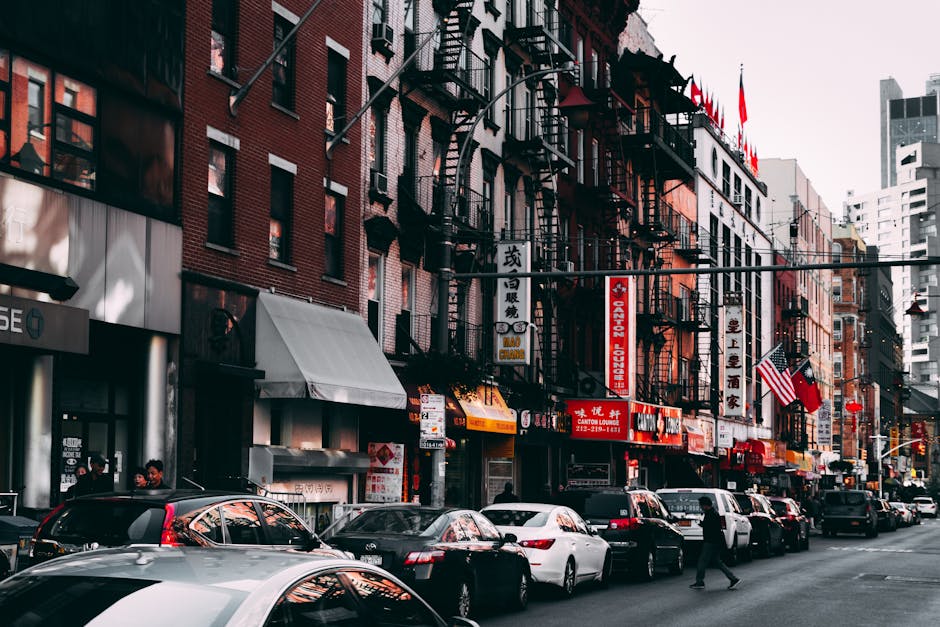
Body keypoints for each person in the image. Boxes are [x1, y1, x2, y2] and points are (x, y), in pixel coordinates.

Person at [690, 496, 741, 590]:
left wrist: (701, 523)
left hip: (710, 541)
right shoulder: (713, 513)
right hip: (716, 541)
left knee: (702, 561)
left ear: (705, 505)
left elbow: (710, 528)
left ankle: (699, 581)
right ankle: (733, 578)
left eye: (701, 505)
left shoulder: (711, 514)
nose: (701, 507)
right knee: (717, 562)